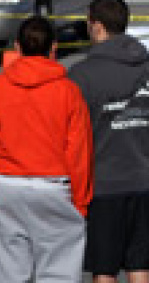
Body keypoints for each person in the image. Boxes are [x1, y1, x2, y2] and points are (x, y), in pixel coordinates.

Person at [69, 0, 149, 283]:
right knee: (139, 263)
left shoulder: (81, 75)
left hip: (102, 185)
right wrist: (142, 153)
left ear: (97, 26)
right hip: (141, 181)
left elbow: (71, 131)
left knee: (105, 268)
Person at [0, 16, 93, 282]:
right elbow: (79, 151)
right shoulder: (68, 91)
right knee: (58, 271)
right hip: (52, 186)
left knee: (9, 271)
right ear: (53, 48)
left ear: (17, 48)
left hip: (6, 185)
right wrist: (81, 202)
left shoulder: (2, 87)